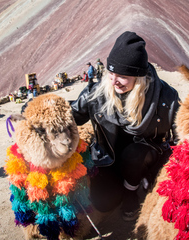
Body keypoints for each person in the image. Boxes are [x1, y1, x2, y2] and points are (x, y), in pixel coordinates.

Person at [70, 31, 180, 221]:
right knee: (103, 203)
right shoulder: (98, 92)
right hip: (108, 158)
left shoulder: (166, 97)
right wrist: (38, 110)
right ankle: (124, 184)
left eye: (121, 76)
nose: (113, 81)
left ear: (139, 76)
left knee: (134, 155)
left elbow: (182, 136)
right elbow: (72, 116)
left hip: (143, 157)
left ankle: (132, 191)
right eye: (110, 73)